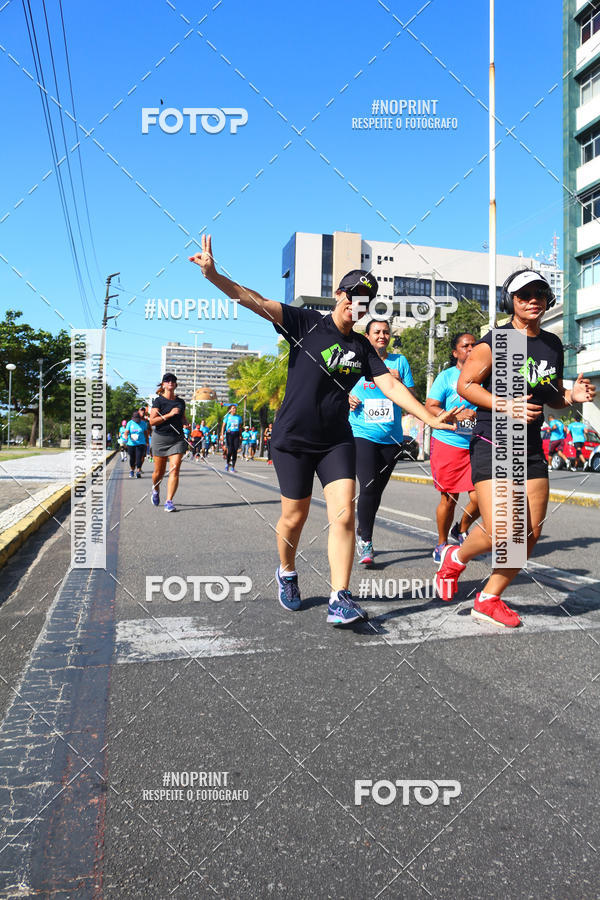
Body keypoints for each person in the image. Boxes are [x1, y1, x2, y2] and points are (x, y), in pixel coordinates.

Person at [190, 235, 459, 625]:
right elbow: (255, 301)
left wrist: (429, 417)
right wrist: (214, 275)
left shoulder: (365, 348)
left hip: (336, 440)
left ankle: (340, 597)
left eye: (365, 299)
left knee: (344, 517)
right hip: (293, 439)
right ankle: (286, 570)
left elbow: (392, 386)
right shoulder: (305, 323)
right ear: (339, 293)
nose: (357, 303)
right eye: (352, 294)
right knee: (294, 519)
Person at [436, 268, 596, 627]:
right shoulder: (494, 341)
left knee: (529, 534)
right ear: (511, 300)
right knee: (504, 531)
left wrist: (572, 395)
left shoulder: (551, 344)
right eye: (524, 295)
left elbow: (549, 394)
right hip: (495, 441)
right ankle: (456, 557)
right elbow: (466, 385)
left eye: (539, 293)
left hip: (532, 447)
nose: (533, 300)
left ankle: (489, 598)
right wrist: (507, 404)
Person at [348, 318, 417, 566]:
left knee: (376, 490)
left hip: (392, 437)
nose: (382, 336)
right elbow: (336, 386)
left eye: (386, 332)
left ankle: (363, 529)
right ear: (367, 336)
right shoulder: (356, 360)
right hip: (361, 432)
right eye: (376, 332)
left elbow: (411, 399)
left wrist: (397, 382)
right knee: (367, 486)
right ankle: (365, 539)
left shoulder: (400, 362)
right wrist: (347, 397)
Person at [425, 333, 480, 562]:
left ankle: (461, 528)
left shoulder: (484, 377)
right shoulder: (446, 377)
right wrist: (452, 415)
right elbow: (431, 406)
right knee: (449, 499)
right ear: (455, 352)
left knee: (481, 498)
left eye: (473, 345)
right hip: (448, 443)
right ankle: (441, 543)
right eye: (464, 346)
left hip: (476, 445)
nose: (470, 349)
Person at [149, 373, 187, 512]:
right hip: (160, 438)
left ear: (175, 385)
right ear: (163, 384)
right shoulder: (158, 401)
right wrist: (169, 415)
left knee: (174, 469)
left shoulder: (181, 402)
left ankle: (169, 501)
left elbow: (182, 417)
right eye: (167, 380)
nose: (170, 382)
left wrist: (185, 422)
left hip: (177, 439)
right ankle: (156, 488)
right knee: (158, 472)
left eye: (173, 380)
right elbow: (152, 421)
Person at [124, 412, 147, 478]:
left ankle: (138, 471)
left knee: (139, 458)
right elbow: (126, 433)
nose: (137, 421)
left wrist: (147, 442)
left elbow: (145, 433)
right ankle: (132, 470)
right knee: (132, 458)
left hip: (141, 443)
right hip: (131, 443)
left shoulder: (143, 423)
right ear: (133, 418)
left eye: (138, 419)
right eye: (135, 419)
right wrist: (126, 439)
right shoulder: (130, 423)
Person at [221, 404, 242, 472]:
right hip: (229, 434)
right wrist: (222, 435)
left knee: (235, 450)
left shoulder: (238, 417)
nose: (234, 409)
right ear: (230, 410)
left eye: (235, 408)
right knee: (230, 450)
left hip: (236, 434)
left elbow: (240, 427)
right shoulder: (227, 417)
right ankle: (227, 463)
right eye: (233, 408)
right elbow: (223, 426)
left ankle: (233, 466)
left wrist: (240, 435)